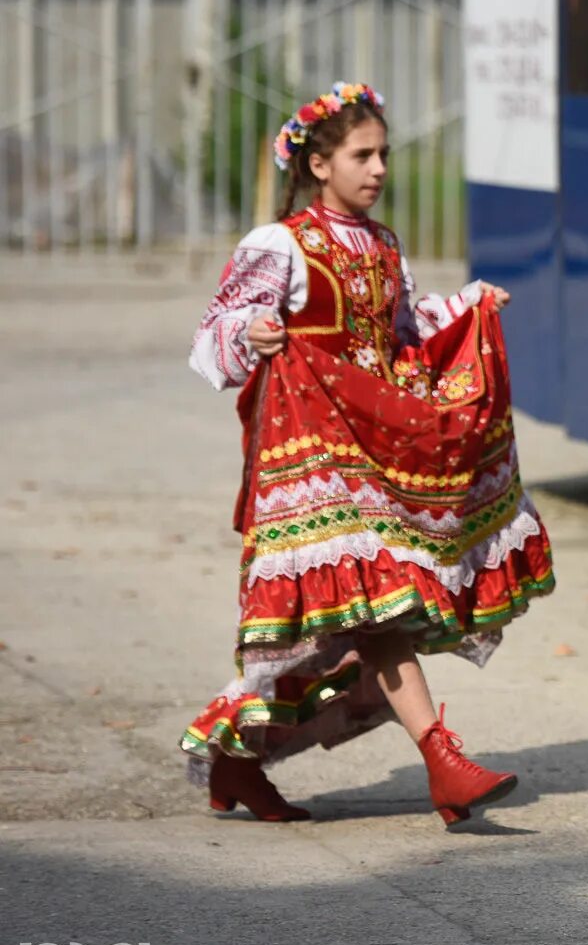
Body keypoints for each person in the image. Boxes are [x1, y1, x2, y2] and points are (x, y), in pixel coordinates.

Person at [180, 82, 555, 826]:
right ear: (319, 163)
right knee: (380, 603)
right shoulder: (279, 244)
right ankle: (443, 762)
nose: (379, 167)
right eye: (362, 154)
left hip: (374, 444)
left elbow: (403, 335)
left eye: (384, 153)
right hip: (308, 455)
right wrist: (251, 331)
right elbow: (211, 337)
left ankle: (235, 759)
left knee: (351, 623)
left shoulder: (384, 244)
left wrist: (471, 307)